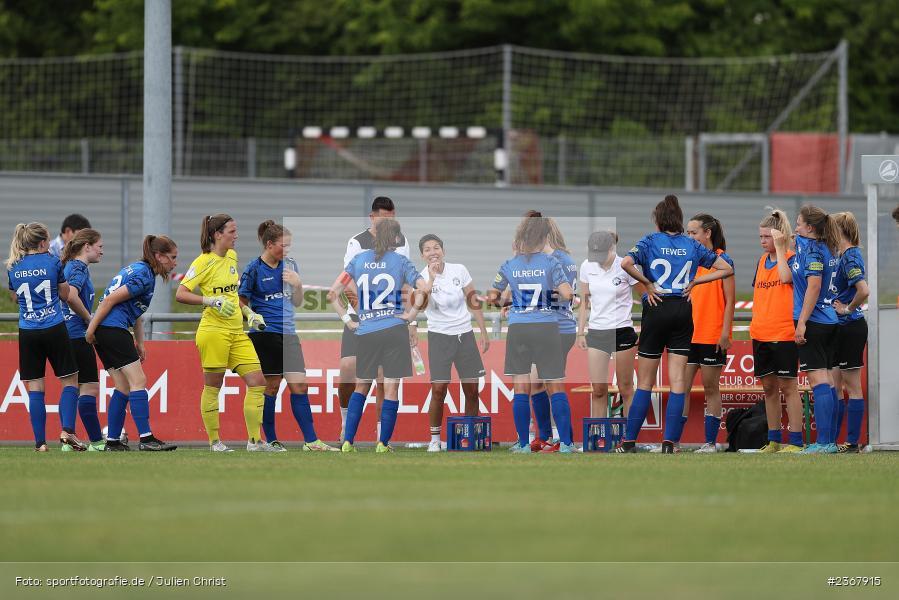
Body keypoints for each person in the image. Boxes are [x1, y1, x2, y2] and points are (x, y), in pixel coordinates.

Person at [618, 195, 734, 453]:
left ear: (658, 220)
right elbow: (726, 268)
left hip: (657, 306)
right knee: (679, 380)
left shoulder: (650, 240)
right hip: (683, 309)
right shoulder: (690, 244)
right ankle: (670, 442)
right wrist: (695, 282)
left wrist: (648, 283)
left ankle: (628, 441)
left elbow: (626, 263)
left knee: (646, 380)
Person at [328, 219, 429, 453]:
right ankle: (383, 444)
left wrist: (348, 321)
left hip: (366, 330)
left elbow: (333, 294)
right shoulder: (402, 262)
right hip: (394, 329)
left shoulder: (357, 261)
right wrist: (411, 314)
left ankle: (347, 442)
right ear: (394, 238)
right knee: (391, 387)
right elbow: (423, 289)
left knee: (361, 386)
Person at [238, 220, 335, 452]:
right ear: (270, 244)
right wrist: (251, 316)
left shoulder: (290, 265)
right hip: (265, 335)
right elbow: (241, 301)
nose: (288, 250)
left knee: (300, 386)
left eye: (290, 245)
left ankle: (311, 441)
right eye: (284, 245)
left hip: (289, 334)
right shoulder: (253, 268)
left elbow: (297, 302)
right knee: (271, 387)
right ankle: (271, 440)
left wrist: (298, 285)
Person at [175, 214, 270, 452]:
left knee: (258, 382)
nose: (236, 236)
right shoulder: (202, 262)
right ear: (217, 234)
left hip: (237, 332)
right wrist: (211, 301)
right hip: (213, 332)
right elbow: (181, 293)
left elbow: (231, 296)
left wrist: (249, 313)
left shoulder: (232, 256)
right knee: (214, 386)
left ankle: (254, 442)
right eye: (232, 232)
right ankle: (215, 442)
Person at [483, 213, 576, 453]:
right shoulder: (551, 262)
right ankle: (566, 443)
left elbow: (492, 297)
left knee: (521, 388)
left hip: (519, 327)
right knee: (555, 386)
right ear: (544, 237)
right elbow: (567, 295)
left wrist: (509, 302)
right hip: (546, 326)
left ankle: (524, 444)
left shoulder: (509, 264)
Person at [85, 235, 178, 451]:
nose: (175, 263)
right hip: (112, 328)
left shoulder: (139, 269)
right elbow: (109, 300)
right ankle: (146, 439)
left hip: (107, 330)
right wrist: (90, 330)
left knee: (123, 386)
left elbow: (135, 311)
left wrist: (140, 342)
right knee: (139, 381)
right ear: (159, 256)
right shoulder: (144, 275)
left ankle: (113, 441)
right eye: (172, 258)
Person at [337, 196, 412, 442]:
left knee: (384, 379)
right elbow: (346, 286)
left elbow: (406, 284)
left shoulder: (401, 241)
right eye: (384, 219)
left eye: (392, 218)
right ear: (372, 217)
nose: (389, 224)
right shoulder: (357, 242)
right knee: (349, 370)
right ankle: (346, 424)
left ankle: (382, 437)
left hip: (391, 319)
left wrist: (411, 321)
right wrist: (363, 313)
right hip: (363, 317)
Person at [7, 222, 82, 452]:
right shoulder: (53, 262)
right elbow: (65, 293)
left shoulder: (13, 267)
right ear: (41, 243)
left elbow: (14, 297)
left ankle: (40, 443)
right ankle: (67, 431)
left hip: (28, 331)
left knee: (36, 387)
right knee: (70, 380)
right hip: (54, 327)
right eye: (48, 241)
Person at [773, 204, 841, 454]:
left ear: (810, 227)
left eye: (799, 223)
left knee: (818, 380)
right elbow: (787, 277)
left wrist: (801, 322)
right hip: (828, 321)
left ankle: (824, 443)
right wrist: (783, 246)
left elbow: (813, 286)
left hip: (814, 321)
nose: (796, 226)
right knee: (828, 381)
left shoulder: (813, 251)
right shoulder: (815, 245)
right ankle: (829, 440)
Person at [417, 233, 489, 452]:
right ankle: (435, 439)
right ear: (422, 256)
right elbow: (420, 306)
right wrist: (430, 279)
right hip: (439, 338)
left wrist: (483, 332)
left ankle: (469, 436)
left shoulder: (459, 270)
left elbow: (473, 301)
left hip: (465, 335)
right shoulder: (420, 277)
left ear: (443, 251)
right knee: (439, 390)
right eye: (428, 249)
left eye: (436, 247)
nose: (433, 252)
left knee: (472, 390)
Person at [681, 214, 735, 453]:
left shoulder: (723, 260)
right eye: (688, 232)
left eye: (693, 232)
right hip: (688, 335)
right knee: (680, 388)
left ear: (707, 233)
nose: (689, 237)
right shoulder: (691, 260)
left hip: (712, 335)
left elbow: (731, 301)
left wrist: (725, 333)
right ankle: (672, 441)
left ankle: (711, 443)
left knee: (711, 388)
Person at [753, 209, 804, 453]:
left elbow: (786, 280)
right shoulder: (762, 261)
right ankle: (774, 440)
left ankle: (795, 441)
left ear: (779, 237)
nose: (762, 241)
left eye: (767, 237)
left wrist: (783, 250)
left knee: (789, 387)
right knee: (769, 388)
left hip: (784, 333)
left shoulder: (792, 258)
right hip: (761, 333)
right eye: (760, 237)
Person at [576, 231, 640, 420]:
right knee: (598, 389)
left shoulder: (626, 266)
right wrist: (581, 332)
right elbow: (584, 302)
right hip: (597, 332)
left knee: (626, 388)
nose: (597, 258)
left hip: (622, 331)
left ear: (612, 248)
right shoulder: (587, 266)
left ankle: (629, 439)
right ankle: (598, 438)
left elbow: (646, 295)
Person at [61, 228, 106, 451]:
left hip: (62, 335)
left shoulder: (67, 267)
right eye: (99, 247)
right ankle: (97, 442)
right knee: (89, 388)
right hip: (77, 334)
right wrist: (90, 319)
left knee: (71, 387)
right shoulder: (78, 268)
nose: (102, 252)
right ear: (86, 246)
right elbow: (71, 296)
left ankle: (68, 441)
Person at [830, 212, 869, 453]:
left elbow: (863, 290)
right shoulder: (840, 256)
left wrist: (847, 309)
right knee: (834, 385)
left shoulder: (851, 256)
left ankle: (853, 442)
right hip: (838, 328)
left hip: (850, 327)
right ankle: (831, 442)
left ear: (839, 231)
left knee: (851, 386)